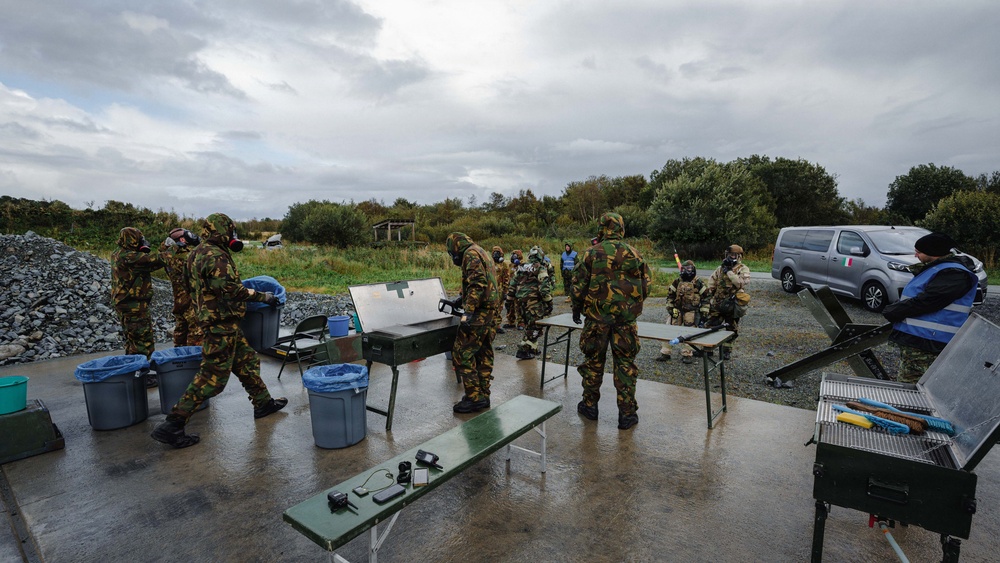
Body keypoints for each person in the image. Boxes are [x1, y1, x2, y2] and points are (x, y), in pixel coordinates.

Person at [151, 213, 285, 448]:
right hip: (220, 324)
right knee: (212, 378)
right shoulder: (215, 256)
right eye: (231, 231)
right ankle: (172, 424)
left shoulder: (195, 253)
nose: (233, 236)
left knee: (246, 362)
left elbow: (192, 287)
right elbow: (231, 290)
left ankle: (263, 403)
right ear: (223, 231)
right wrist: (264, 297)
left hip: (222, 321)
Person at [570, 212, 650, 430]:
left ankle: (589, 406)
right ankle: (627, 414)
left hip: (596, 320)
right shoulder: (634, 254)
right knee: (625, 365)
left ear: (602, 228)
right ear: (621, 228)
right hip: (625, 321)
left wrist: (577, 310)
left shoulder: (590, 253)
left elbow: (578, 287)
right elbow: (646, 286)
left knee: (593, 362)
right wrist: (630, 306)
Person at [882, 232, 977, 383]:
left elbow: (929, 300)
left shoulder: (953, 273)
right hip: (922, 339)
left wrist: (896, 311)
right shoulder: (939, 269)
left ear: (933, 252)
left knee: (913, 386)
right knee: (909, 383)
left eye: (919, 252)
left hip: (929, 342)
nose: (915, 255)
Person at [446, 233, 502, 413]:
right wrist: (461, 299)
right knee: (483, 353)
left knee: (461, 353)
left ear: (456, 248)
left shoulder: (469, 254)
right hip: (490, 312)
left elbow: (477, 283)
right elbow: (483, 282)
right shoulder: (481, 251)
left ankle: (474, 398)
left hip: (479, 314)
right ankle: (483, 395)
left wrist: (468, 311)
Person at [111, 227, 166, 387]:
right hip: (133, 305)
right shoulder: (129, 257)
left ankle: (133, 373)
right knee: (143, 341)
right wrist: (172, 247)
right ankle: (143, 377)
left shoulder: (118, 253)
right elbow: (156, 260)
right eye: (139, 238)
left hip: (125, 304)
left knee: (132, 341)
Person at [705, 244, 751, 361]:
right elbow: (712, 282)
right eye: (729, 254)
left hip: (733, 304)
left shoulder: (743, 269)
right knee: (710, 325)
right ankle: (708, 349)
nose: (731, 257)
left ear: (739, 256)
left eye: (734, 255)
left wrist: (730, 272)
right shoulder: (720, 268)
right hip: (718, 303)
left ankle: (727, 351)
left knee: (731, 328)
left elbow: (740, 283)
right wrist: (708, 296)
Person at [658, 260, 709, 364]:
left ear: (693, 270)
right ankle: (665, 353)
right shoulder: (677, 281)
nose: (686, 271)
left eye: (688, 269)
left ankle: (687, 354)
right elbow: (670, 296)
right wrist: (670, 309)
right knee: (668, 330)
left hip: (691, 312)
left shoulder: (699, 282)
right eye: (683, 269)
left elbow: (706, 298)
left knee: (690, 333)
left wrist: (704, 313)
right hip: (677, 310)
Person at [509, 246, 554, 359]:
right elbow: (544, 290)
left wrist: (509, 300)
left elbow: (512, 284)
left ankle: (533, 348)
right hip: (534, 302)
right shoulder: (540, 268)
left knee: (528, 325)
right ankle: (523, 350)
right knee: (535, 327)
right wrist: (549, 303)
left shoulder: (521, 267)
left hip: (521, 302)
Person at [162, 228, 203, 347]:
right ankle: (193, 355)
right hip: (191, 298)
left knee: (181, 330)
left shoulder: (168, 255)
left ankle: (179, 354)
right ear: (182, 240)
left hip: (179, 298)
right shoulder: (187, 255)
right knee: (196, 331)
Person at [503, 249, 525, 329]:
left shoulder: (523, 265)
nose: (513, 257)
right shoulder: (510, 266)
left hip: (519, 289)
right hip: (511, 288)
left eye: (515, 255)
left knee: (519, 306)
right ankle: (511, 322)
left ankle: (521, 323)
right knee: (510, 306)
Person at [491, 245, 510, 335]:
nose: (495, 254)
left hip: (500, 289)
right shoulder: (490, 263)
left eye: (498, 252)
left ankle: (497, 325)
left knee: (499, 307)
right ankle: (491, 324)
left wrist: (506, 291)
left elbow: (506, 278)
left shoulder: (504, 265)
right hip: (491, 289)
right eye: (494, 252)